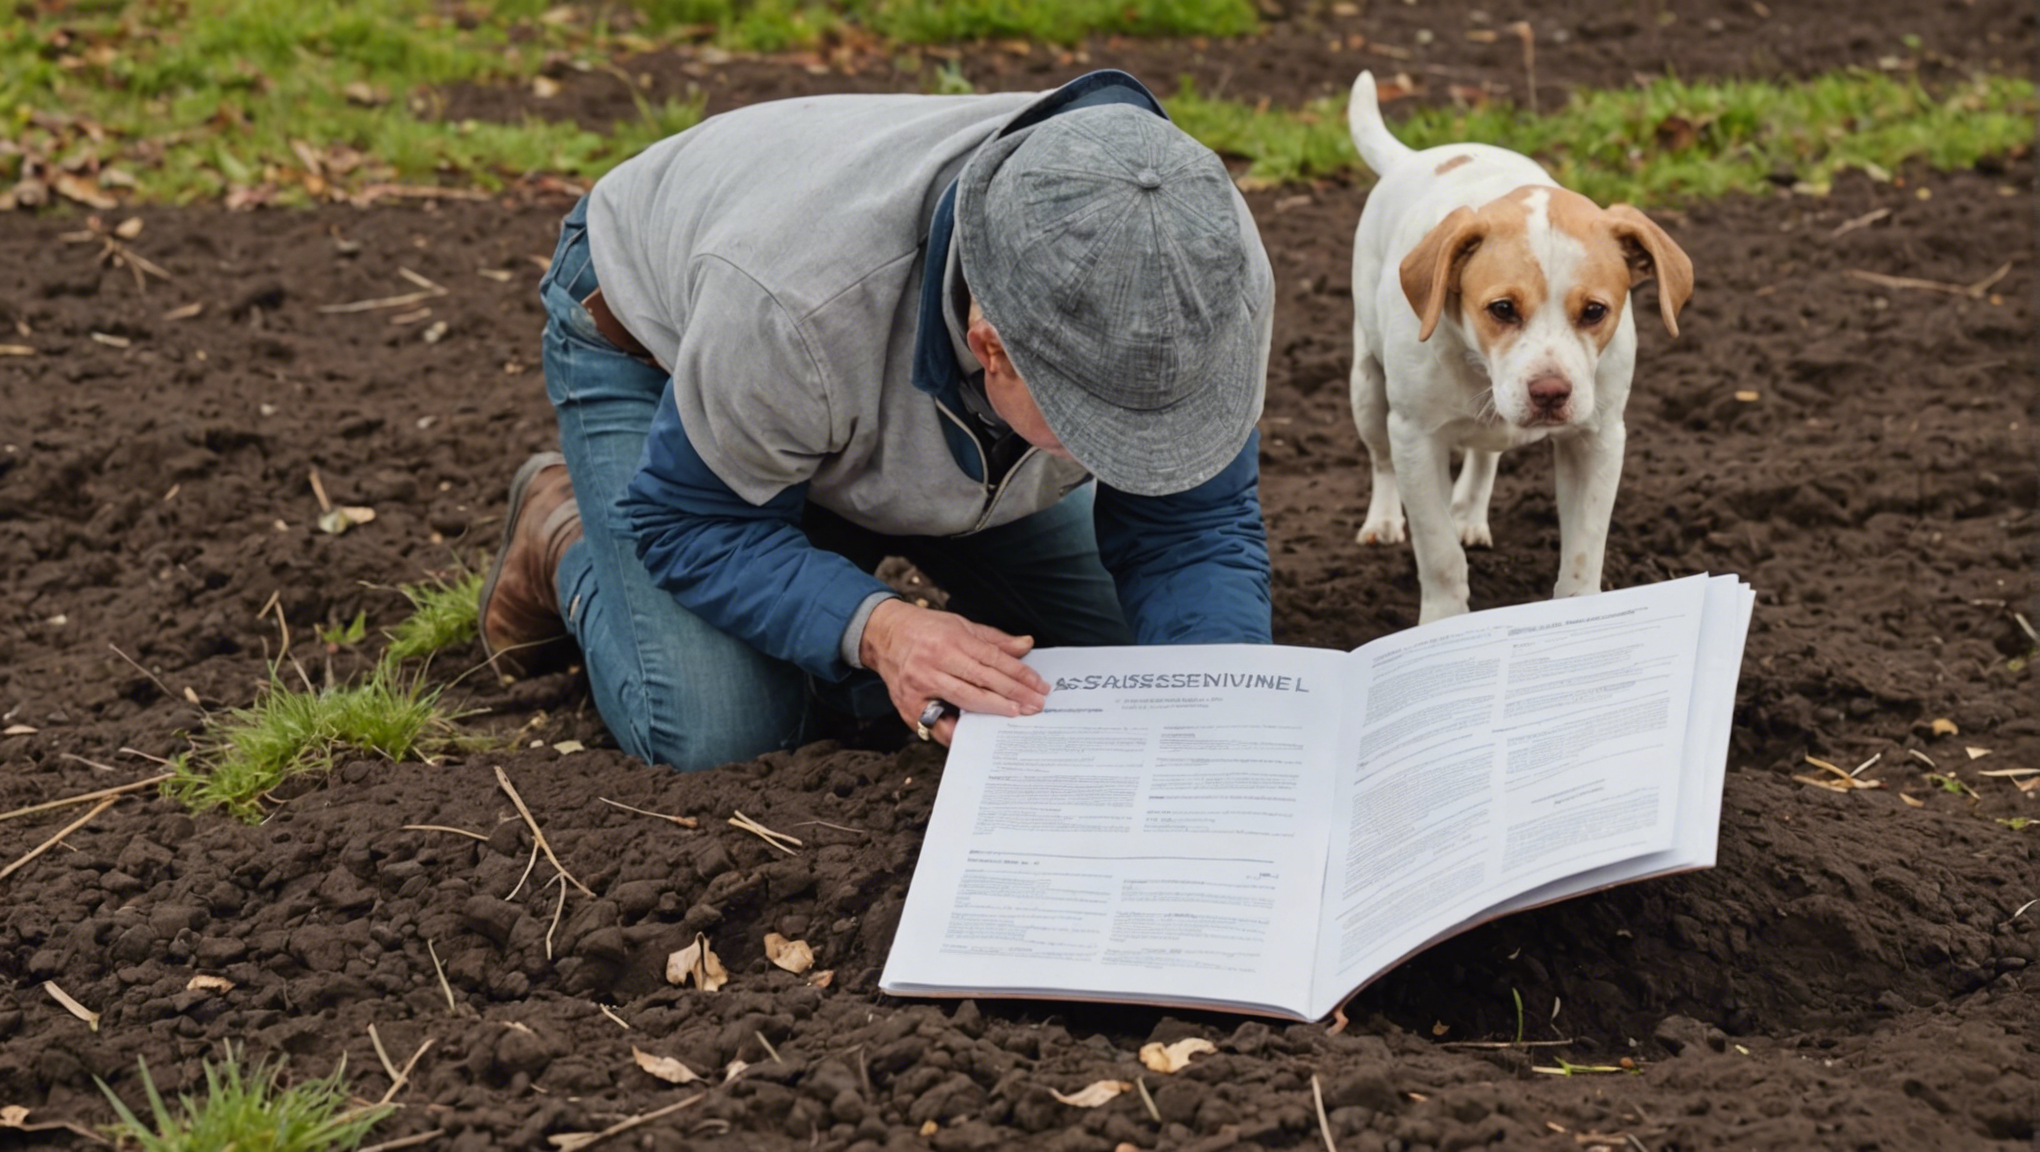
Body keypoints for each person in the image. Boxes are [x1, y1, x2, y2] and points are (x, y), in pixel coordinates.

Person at [478, 69, 1276, 772]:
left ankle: (828, 532)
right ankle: (569, 538)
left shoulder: (1199, 265)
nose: (1130, 451)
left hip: (853, 401)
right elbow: (693, 521)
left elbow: (1194, 528)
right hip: (659, 342)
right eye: (1097, 426)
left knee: (1139, 673)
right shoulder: (794, 304)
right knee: (722, 732)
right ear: (989, 347)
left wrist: (1219, 722)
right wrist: (882, 630)